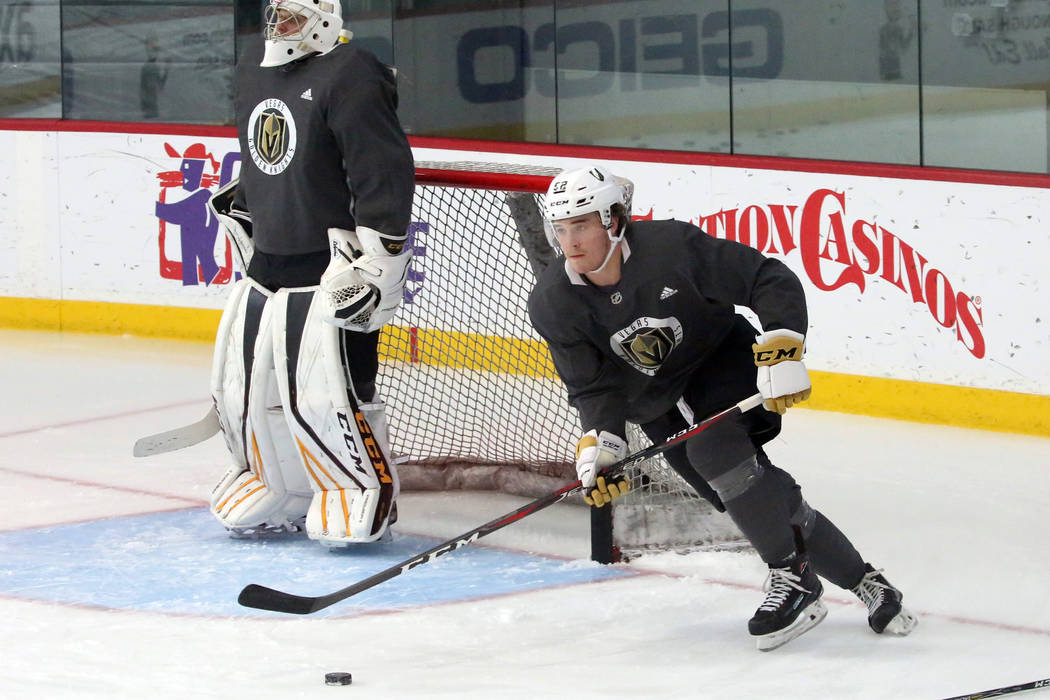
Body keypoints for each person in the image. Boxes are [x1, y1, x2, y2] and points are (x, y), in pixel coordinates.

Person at [527, 165, 918, 651]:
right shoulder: (552, 302)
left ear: (614, 220)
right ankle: (868, 583)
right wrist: (601, 446)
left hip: (720, 365)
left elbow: (766, 278)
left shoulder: (671, 248)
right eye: (561, 227)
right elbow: (593, 388)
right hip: (657, 405)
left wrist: (783, 346)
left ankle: (793, 579)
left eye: (582, 224)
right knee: (749, 497)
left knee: (717, 454)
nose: (570, 240)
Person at [205, 0, 415, 548]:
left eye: (292, 16)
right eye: (274, 14)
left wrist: (382, 260)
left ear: (324, 17)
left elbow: (381, 168)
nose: (279, 27)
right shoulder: (255, 65)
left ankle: (356, 488)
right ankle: (271, 480)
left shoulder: (352, 71)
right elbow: (265, 155)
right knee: (243, 389)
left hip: (330, 266)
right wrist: (246, 204)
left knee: (327, 392)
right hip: (267, 262)